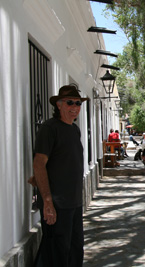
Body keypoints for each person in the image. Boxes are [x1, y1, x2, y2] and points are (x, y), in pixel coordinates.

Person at [28, 84, 88, 267]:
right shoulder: (50, 128)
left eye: (78, 103)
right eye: (70, 102)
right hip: (57, 204)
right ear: (59, 105)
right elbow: (39, 164)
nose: (74, 107)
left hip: (74, 202)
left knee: (75, 249)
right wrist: (47, 201)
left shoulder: (75, 130)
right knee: (57, 252)